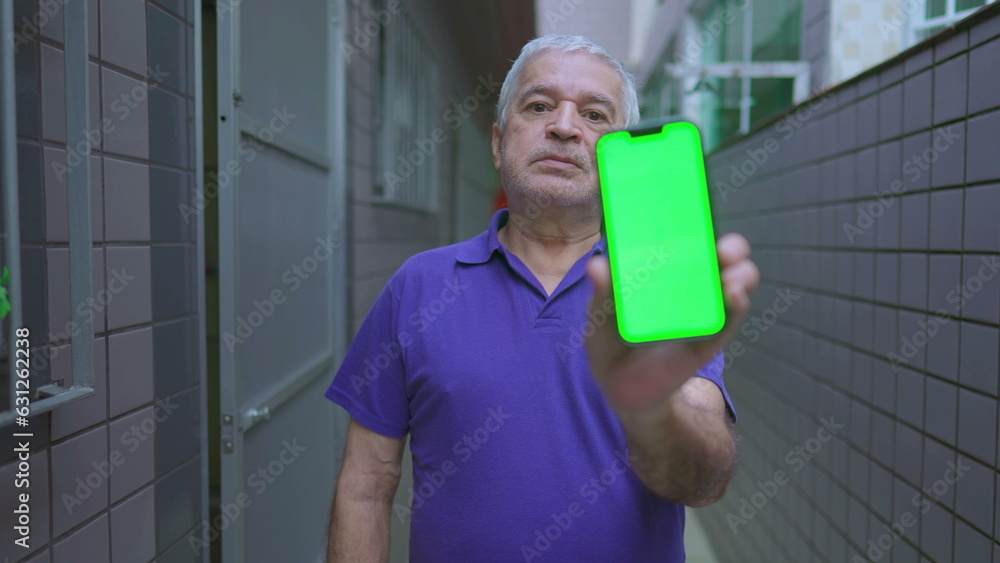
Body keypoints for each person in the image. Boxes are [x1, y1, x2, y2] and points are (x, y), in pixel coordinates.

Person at [325, 34, 760, 562]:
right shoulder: (419, 285)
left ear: (623, 159)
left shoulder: (660, 283)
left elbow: (701, 483)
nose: (565, 126)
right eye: (539, 106)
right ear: (497, 141)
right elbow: (367, 484)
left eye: (596, 115)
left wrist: (650, 408)